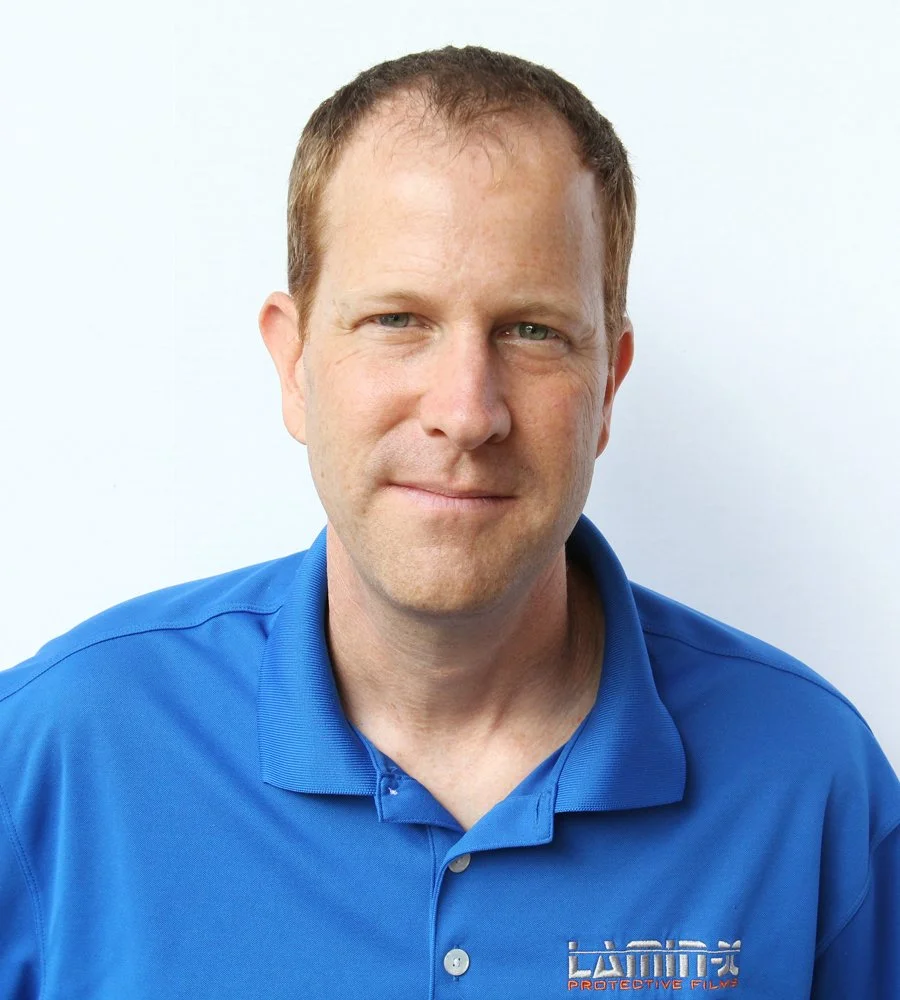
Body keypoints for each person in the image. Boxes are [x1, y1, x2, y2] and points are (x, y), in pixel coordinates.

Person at [1, 45, 897, 999]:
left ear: (608, 385)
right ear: (294, 364)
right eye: (398, 320)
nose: (466, 412)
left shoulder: (810, 784)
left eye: (532, 331)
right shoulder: (56, 752)